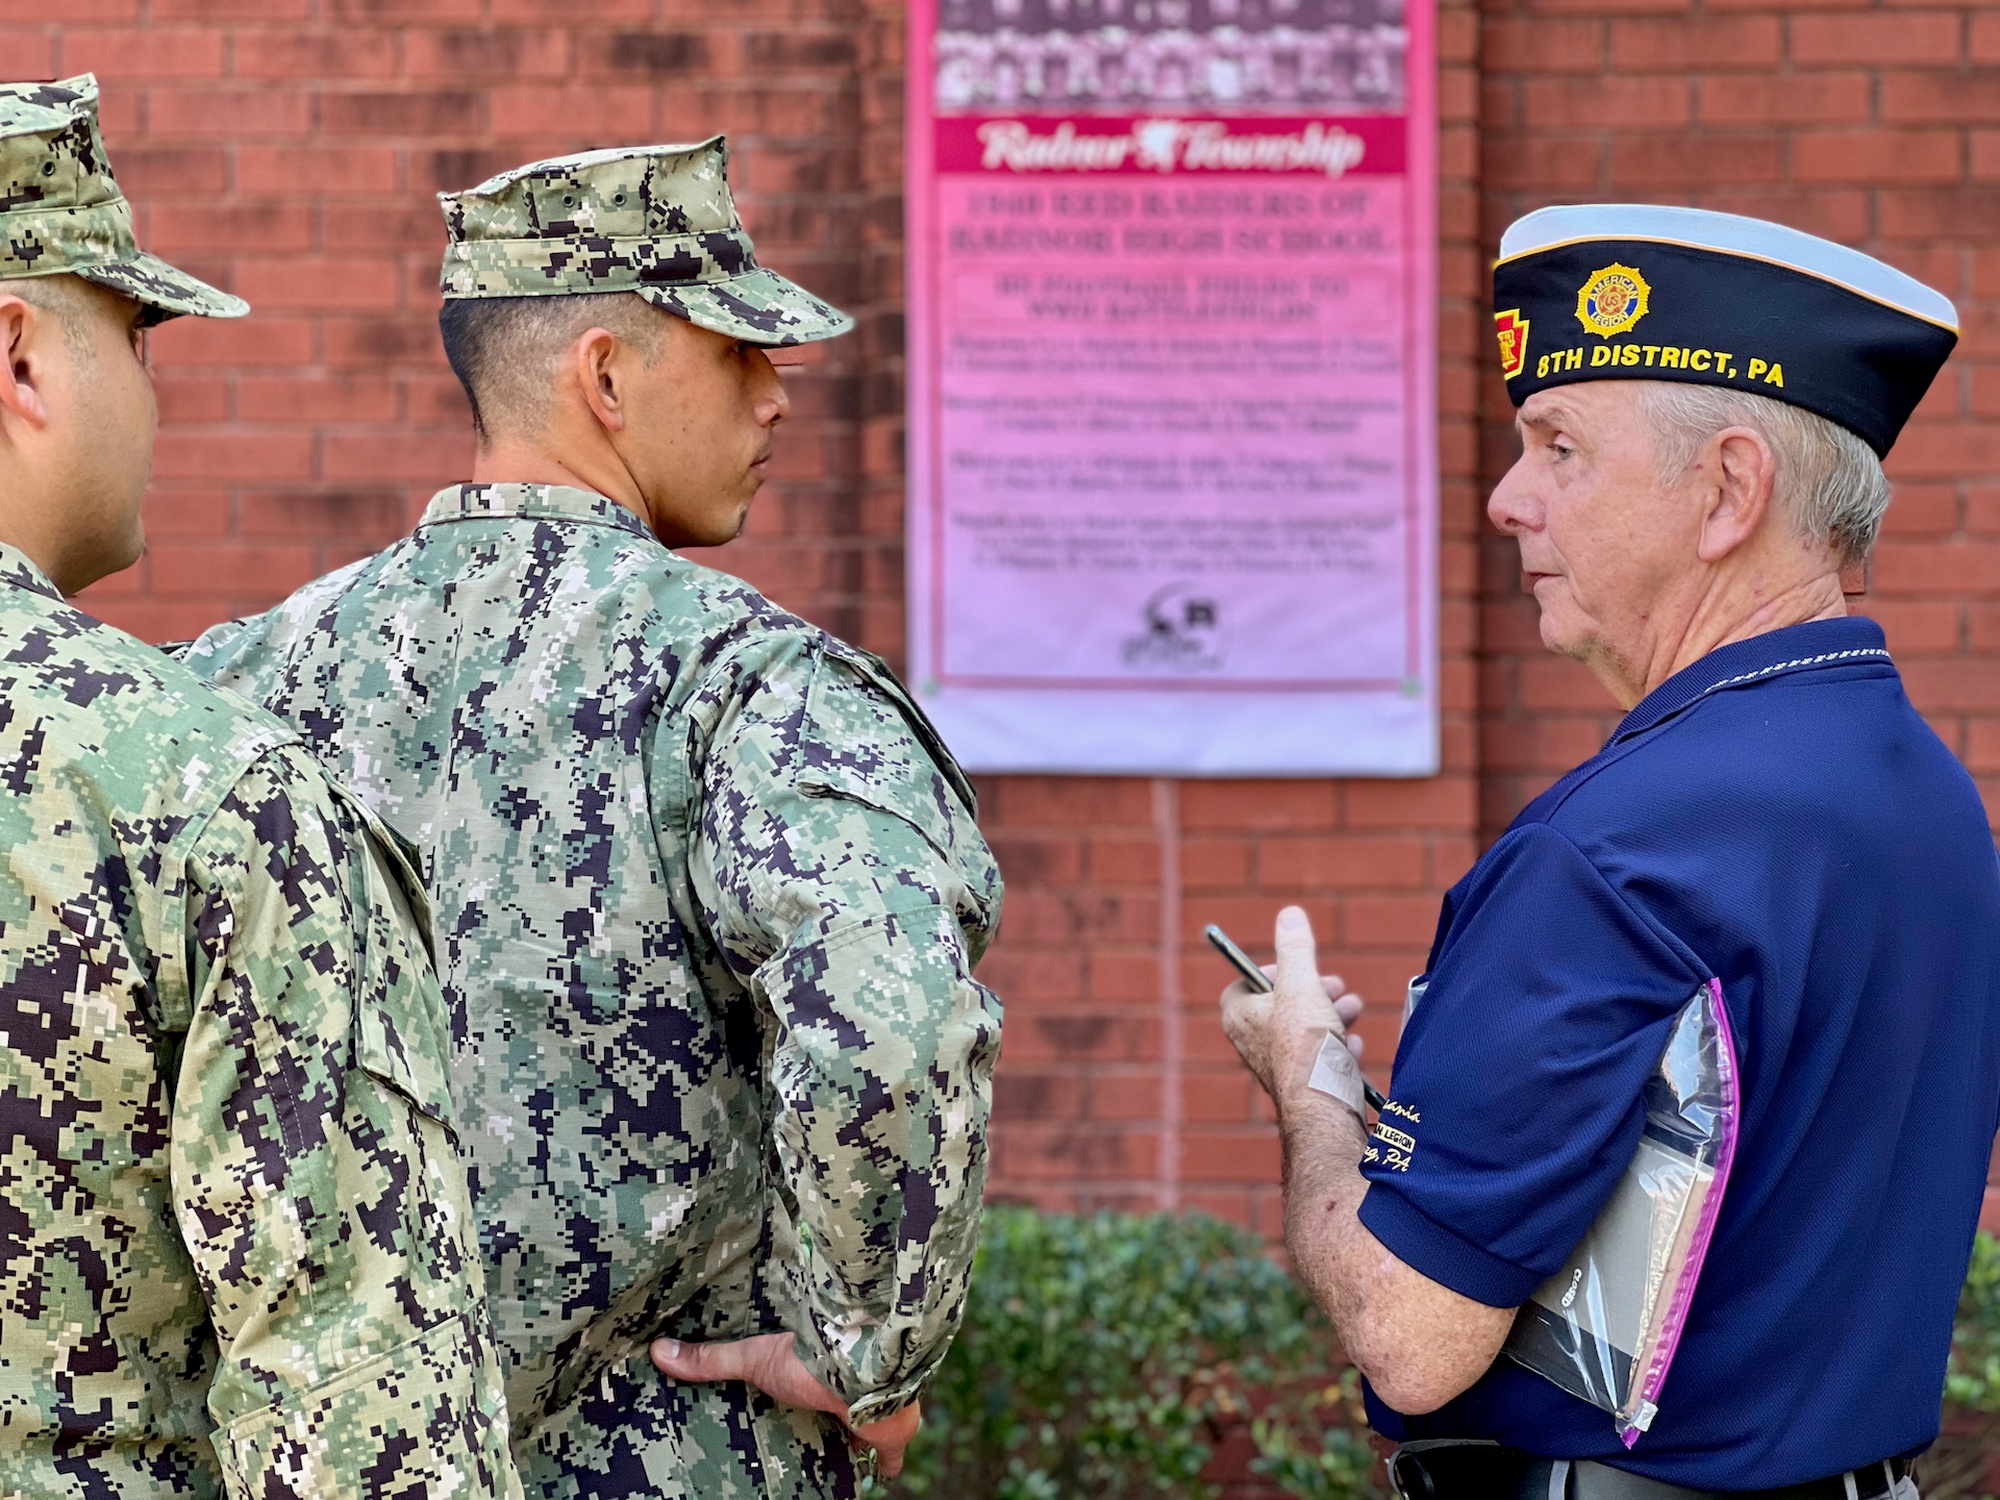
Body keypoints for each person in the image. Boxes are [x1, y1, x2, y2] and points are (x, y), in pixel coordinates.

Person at [181, 140, 1005, 1499]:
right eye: (737, 350)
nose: (775, 399)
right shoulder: (747, 684)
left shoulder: (237, 682)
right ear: (607, 376)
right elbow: (893, 1028)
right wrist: (865, 1350)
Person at [1220, 203, 1994, 1498]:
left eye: (1559, 446)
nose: (1506, 497)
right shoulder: (1927, 794)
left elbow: (1411, 1337)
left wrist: (1308, 1077)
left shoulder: (1618, 846)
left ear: (1730, 491)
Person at [0, 76, 520, 1498]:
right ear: (19, 354)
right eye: (137, 334)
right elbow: (368, 1416)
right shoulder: (195, 788)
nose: (154, 392)